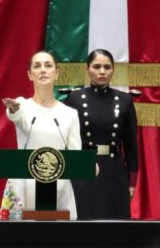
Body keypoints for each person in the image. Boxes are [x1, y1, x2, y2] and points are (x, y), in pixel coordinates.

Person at [1, 51, 81, 219]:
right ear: (30, 75)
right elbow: (15, 114)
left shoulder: (70, 114)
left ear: (56, 73)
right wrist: (13, 109)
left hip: (58, 188)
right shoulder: (21, 104)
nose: (43, 70)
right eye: (37, 66)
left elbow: (76, 155)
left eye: (48, 65)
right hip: (23, 186)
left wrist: (87, 165)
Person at [64, 49, 138, 219]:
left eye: (107, 67)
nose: (102, 71)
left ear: (113, 69)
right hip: (82, 168)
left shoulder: (125, 100)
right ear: (87, 69)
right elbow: (66, 141)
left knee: (115, 225)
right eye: (96, 66)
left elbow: (131, 146)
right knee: (84, 222)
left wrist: (131, 182)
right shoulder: (74, 98)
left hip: (114, 170)